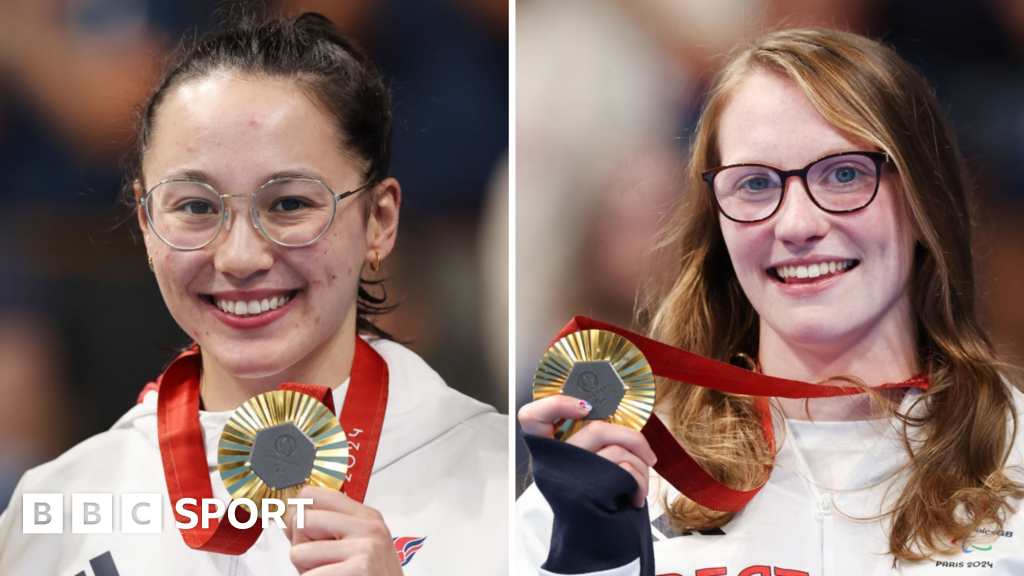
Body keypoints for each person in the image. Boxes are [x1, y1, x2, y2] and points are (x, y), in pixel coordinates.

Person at [0, 12, 507, 575]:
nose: (240, 257)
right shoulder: (58, 510)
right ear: (146, 222)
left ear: (380, 220)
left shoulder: (510, 487)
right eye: (195, 207)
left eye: (289, 204)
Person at [517, 27, 1024, 576]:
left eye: (845, 173)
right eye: (755, 185)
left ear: (924, 199)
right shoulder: (616, 472)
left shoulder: (1015, 456)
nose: (798, 224)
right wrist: (588, 559)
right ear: (717, 222)